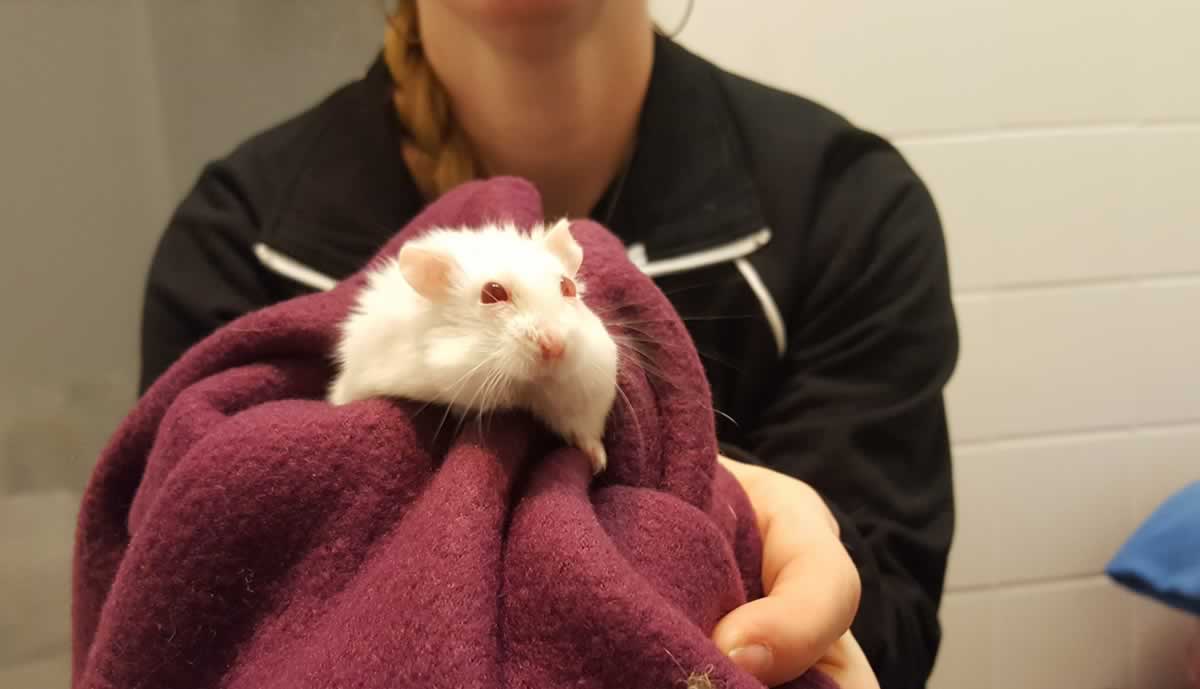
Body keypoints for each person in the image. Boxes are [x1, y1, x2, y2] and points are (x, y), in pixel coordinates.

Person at [137, 2, 958, 688]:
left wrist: (723, 518)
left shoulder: (849, 208)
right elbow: (173, 603)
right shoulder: (235, 244)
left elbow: (889, 626)